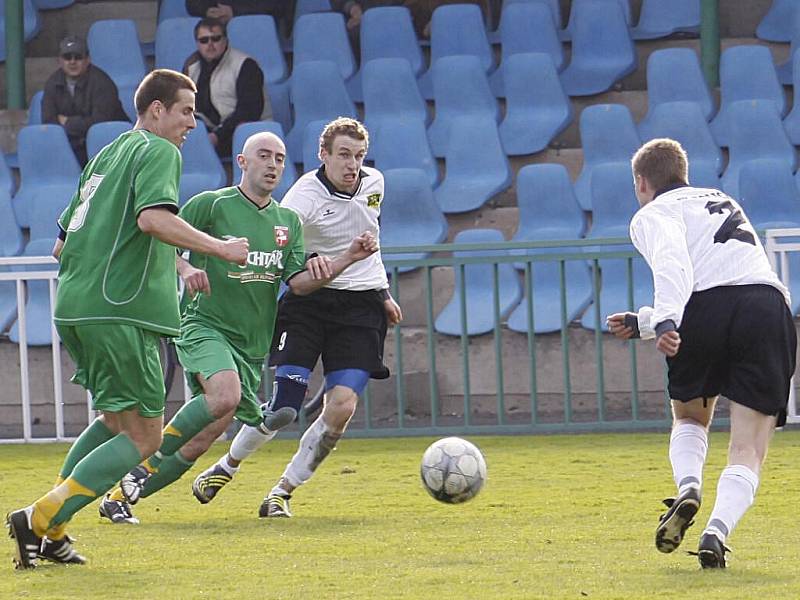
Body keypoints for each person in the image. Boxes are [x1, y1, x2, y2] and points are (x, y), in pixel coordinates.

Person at [4, 69, 252, 570]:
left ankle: (53, 533)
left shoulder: (105, 155)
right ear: (156, 110)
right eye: (185, 110)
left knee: (115, 422)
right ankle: (38, 516)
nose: (191, 121)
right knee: (145, 438)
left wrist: (170, 263)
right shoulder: (159, 150)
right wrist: (218, 248)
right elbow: (152, 218)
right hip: (121, 312)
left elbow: (60, 243)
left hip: (77, 305)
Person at [98, 131, 381, 524]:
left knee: (202, 438)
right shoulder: (212, 205)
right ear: (242, 162)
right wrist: (187, 266)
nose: (272, 165)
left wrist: (346, 259)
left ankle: (120, 498)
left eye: (280, 159)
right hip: (204, 324)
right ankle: (138, 470)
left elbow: (298, 283)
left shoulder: (286, 223)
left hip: (250, 346)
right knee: (225, 395)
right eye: (263, 156)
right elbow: (159, 241)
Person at [190, 117, 402, 518]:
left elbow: (369, 235)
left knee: (341, 407)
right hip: (309, 306)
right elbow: (281, 247)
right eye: (343, 155)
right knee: (285, 406)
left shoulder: (376, 184)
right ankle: (226, 466)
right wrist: (309, 261)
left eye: (358, 156)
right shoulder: (301, 199)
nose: (352, 165)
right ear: (322, 155)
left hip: (360, 308)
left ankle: (282, 492)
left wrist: (383, 292)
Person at [606, 138, 796, 569]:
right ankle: (716, 532)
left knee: (690, 416)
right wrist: (648, 321)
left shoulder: (652, 213)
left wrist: (666, 319)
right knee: (749, 447)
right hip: (766, 306)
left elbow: (677, 264)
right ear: (683, 172)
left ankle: (689, 485)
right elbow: (729, 274)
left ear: (641, 182)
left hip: (702, 310)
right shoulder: (722, 199)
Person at [183, 17, 271, 159]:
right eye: (204, 40)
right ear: (197, 43)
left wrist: (217, 135)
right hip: (209, 131)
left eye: (216, 39)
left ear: (225, 40)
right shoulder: (191, 66)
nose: (210, 44)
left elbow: (249, 112)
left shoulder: (246, 65)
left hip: (246, 132)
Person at [42, 35, 129, 165]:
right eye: (67, 57)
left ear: (87, 59)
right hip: (74, 146)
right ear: (59, 60)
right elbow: (49, 122)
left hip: (111, 146)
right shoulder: (52, 83)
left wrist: (67, 122)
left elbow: (100, 125)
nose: (72, 62)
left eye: (78, 57)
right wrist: (81, 125)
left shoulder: (102, 83)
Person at [186, 0, 287, 26]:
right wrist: (207, 10)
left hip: (256, 28)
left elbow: (277, 5)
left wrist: (234, 12)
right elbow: (193, 4)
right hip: (217, 29)